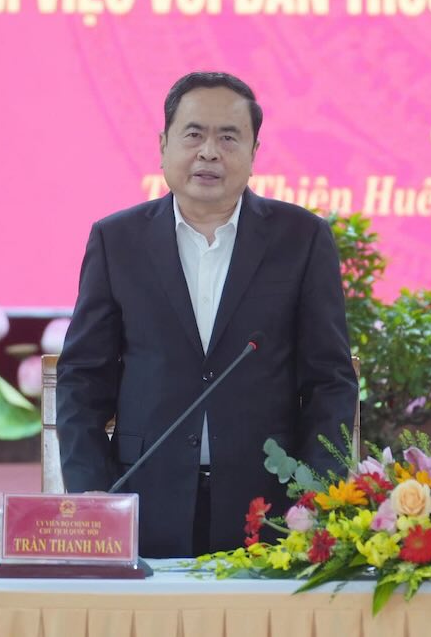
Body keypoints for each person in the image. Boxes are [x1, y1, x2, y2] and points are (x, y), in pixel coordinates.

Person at [56, 71, 358, 558]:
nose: (209, 152)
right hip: (141, 502)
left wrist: (315, 494)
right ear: (164, 145)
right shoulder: (118, 241)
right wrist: (92, 492)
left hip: (270, 509)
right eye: (194, 134)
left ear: (254, 152)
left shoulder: (301, 240)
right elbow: (82, 378)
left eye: (229, 137)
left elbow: (330, 382)